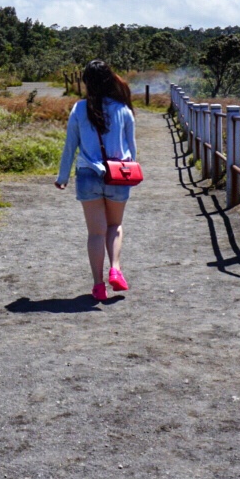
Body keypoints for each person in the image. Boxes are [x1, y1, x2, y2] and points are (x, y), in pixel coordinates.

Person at [55, 59, 137, 302]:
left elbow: (70, 146)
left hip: (88, 175)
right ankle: (116, 269)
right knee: (115, 226)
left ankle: (98, 286)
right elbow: (131, 150)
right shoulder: (123, 109)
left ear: (87, 82)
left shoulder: (78, 109)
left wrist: (62, 177)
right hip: (118, 175)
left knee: (95, 233)